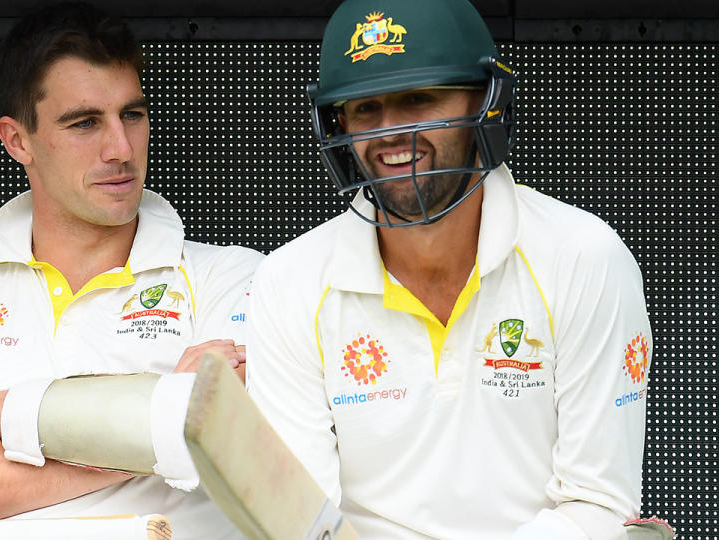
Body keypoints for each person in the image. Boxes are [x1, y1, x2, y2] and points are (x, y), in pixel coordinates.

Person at [246, 0, 653, 538]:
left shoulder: (584, 258)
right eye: (365, 107)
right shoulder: (289, 282)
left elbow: (597, 502)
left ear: (483, 102)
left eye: (419, 99)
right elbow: (304, 521)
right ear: (337, 122)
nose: (390, 133)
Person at [0, 3, 260, 538]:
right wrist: (160, 424)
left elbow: (228, 438)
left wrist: (2, 419)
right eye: (84, 123)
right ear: (18, 140)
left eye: (132, 114)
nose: (120, 149)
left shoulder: (235, 276)